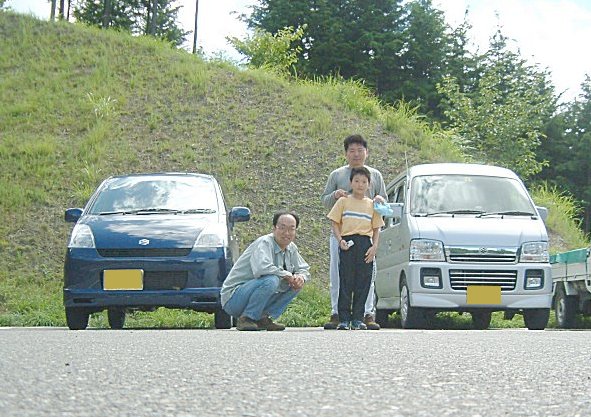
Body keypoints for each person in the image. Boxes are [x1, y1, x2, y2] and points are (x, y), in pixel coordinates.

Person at [321, 134, 387, 330]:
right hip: (341, 234)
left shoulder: (375, 175)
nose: (356, 154)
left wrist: (380, 201)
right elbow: (324, 200)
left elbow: (384, 203)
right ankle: (337, 313)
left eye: (360, 150)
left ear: (367, 152)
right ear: (345, 154)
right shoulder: (337, 175)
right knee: (339, 274)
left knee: (367, 276)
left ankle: (367, 313)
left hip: (366, 235)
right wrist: (335, 195)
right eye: (352, 151)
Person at [220, 211, 310, 331]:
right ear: (274, 228)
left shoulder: (291, 248)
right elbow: (261, 269)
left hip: (252, 294)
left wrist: (300, 277)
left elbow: (304, 268)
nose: (286, 233)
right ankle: (247, 318)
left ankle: (262, 318)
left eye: (291, 229)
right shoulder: (265, 243)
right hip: (233, 299)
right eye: (282, 228)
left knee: (296, 284)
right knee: (271, 280)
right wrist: (287, 274)